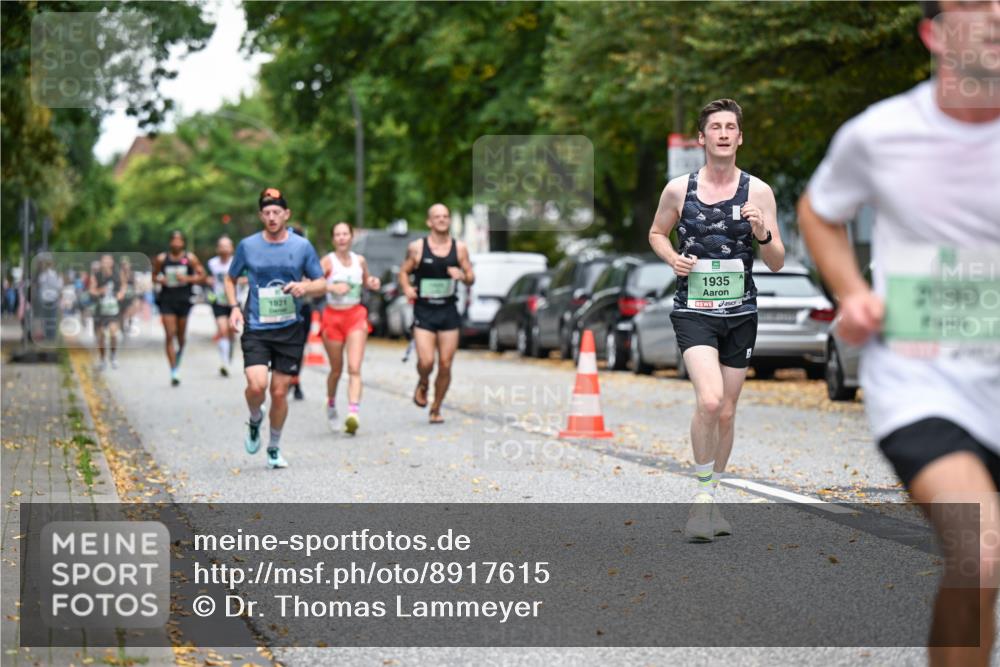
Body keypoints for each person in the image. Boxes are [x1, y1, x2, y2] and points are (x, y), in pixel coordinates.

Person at [799, 2, 999, 663]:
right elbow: (819, 211)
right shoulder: (881, 134)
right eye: (974, 5)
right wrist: (853, 293)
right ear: (933, 33)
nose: (995, 16)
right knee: (980, 549)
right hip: (924, 381)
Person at [649, 98, 785, 542]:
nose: (723, 134)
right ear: (702, 138)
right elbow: (656, 232)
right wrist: (672, 258)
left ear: (740, 138)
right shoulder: (679, 190)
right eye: (715, 127)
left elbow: (777, 260)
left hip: (740, 313)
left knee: (726, 411)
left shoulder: (758, 191)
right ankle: (702, 500)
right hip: (694, 311)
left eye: (730, 127)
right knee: (709, 401)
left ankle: (711, 497)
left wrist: (762, 231)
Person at [225, 188, 326, 469]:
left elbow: (321, 283)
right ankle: (255, 418)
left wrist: (305, 287)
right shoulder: (248, 246)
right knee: (257, 386)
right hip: (257, 327)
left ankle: (274, 447)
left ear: (286, 214)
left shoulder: (302, 247)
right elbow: (230, 278)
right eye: (267, 212)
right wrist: (234, 307)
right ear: (261, 216)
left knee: (280, 392)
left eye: (276, 212)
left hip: (290, 328)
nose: (272, 217)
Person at [398, 203, 475, 424]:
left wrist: (462, 275)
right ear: (429, 222)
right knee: (426, 361)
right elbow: (403, 272)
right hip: (424, 311)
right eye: (437, 216)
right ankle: (423, 382)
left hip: (448, 311)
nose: (442, 219)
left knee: (446, 364)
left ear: (449, 220)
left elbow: (471, 277)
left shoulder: (459, 249)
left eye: (445, 216)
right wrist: (407, 288)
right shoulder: (417, 248)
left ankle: (436, 407)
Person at [320, 221, 381, 434]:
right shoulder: (327, 261)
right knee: (336, 369)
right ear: (333, 239)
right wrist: (331, 287)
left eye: (345, 234)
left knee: (354, 368)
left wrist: (372, 282)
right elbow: (310, 284)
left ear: (351, 237)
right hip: (332, 317)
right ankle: (330, 404)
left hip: (355, 315)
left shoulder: (359, 260)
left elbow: (366, 280)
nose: (342, 238)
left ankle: (353, 413)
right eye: (337, 234)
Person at [152, 231, 206, 386]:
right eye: (173, 240)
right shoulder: (162, 259)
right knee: (170, 334)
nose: (176, 243)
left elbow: (202, 275)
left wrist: (187, 278)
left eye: (179, 240)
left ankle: (179, 354)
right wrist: (161, 280)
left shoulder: (190, 258)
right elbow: (153, 276)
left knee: (180, 337)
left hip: (184, 300)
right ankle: (174, 370)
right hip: (167, 300)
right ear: (170, 242)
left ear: (183, 243)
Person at [207, 236, 237, 377]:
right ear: (217, 249)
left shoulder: (237, 262)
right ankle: (224, 363)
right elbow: (205, 277)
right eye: (222, 246)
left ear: (232, 248)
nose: (224, 249)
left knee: (231, 331)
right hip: (218, 301)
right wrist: (208, 280)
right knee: (223, 329)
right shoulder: (212, 263)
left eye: (227, 246)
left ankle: (229, 352)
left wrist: (237, 281)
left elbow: (247, 278)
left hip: (235, 302)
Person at [88, 254, 125, 369]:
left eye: (108, 261)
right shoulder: (96, 275)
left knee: (113, 333)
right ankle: (102, 359)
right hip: (100, 310)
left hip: (113, 309)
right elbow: (91, 290)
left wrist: (121, 294)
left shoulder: (118, 274)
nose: (106, 263)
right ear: (101, 263)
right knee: (101, 337)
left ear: (112, 262)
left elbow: (124, 285)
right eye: (104, 261)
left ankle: (113, 356)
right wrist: (100, 291)